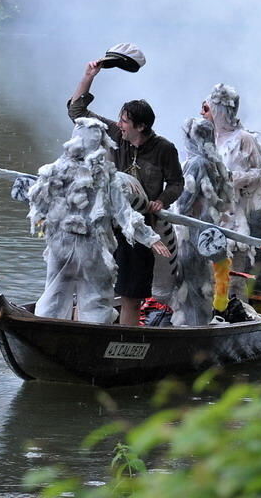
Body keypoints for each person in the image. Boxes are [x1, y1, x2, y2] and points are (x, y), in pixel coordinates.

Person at [68, 55, 183, 325]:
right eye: (120, 120)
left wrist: (161, 200)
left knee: (132, 295)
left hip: (141, 228)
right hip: (108, 224)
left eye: (125, 121)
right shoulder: (115, 134)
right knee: (90, 286)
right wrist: (88, 77)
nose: (119, 124)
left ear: (141, 126)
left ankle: (125, 338)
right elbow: (77, 113)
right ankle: (82, 332)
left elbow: (177, 183)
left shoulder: (164, 149)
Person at [28, 118, 167, 324]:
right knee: (94, 299)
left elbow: (37, 201)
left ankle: (44, 328)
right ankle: (93, 331)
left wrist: (40, 219)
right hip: (91, 249)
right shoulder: (105, 177)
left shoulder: (55, 170)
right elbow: (124, 212)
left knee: (54, 294)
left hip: (62, 245)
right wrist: (150, 238)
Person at [200, 83, 261, 299]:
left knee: (232, 281)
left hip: (233, 218)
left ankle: (236, 313)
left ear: (219, 110)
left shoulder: (244, 139)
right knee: (208, 280)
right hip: (206, 217)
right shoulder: (204, 137)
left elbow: (259, 172)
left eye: (206, 108)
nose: (202, 112)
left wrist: (229, 179)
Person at [170, 118, 237, 326]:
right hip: (207, 235)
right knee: (201, 285)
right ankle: (200, 325)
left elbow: (182, 203)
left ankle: (195, 330)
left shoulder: (196, 163)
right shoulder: (214, 162)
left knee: (191, 288)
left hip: (191, 235)